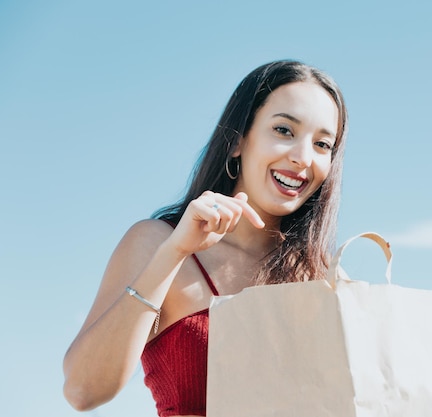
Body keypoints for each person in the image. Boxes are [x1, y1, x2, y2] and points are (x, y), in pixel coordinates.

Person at [63, 60, 348, 416]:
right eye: (284, 130)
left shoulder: (324, 277)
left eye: (323, 144)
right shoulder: (156, 242)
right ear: (238, 142)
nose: (303, 158)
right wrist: (176, 252)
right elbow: (83, 390)